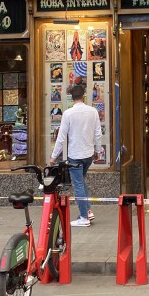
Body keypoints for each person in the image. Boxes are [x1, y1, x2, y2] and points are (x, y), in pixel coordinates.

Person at [50, 84, 101, 227]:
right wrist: (98, 151)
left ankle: (84, 217)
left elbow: (61, 137)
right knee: (81, 180)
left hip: (75, 155)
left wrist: (53, 157)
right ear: (83, 96)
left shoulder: (68, 113)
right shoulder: (93, 111)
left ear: (72, 98)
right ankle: (88, 210)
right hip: (88, 154)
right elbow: (98, 133)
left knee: (78, 183)